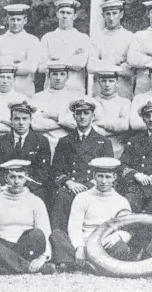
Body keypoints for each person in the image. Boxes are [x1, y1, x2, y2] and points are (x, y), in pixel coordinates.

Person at [49, 158, 133, 271]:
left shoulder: (122, 201)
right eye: (100, 176)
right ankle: (94, 266)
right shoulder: (82, 198)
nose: (103, 181)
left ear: (114, 177)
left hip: (104, 245)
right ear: (94, 176)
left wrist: (118, 236)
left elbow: (127, 228)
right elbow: (74, 227)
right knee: (57, 235)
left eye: (108, 177)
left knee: (122, 248)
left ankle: (77, 264)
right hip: (84, 244)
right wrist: (79, 247)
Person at [0, 160, 55, 274]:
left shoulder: (36, 201)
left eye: (20, 177)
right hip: (1, 246)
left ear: (26, 178)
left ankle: (2, 265)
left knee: (37, 234)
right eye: (12, 177)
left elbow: (45, 232)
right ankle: (27, 267)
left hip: (25, 247)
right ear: (6, 178)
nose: (16, 181)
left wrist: (42, 258)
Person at [51, 99, 114, 231]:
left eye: (86, 113)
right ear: (74, 116)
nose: (82, 116)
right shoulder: (64, 141)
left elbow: (108, 170)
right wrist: (69, 183)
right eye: (79, 113)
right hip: (70, 187)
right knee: (61, 197)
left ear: (93, 116)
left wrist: (90, 185)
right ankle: (59, 239)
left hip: (93, 187)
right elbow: (56, 169)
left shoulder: (103, 142)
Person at [0, 101, 52, 201]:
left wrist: (26, 187)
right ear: (11, 120)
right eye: (16, 119)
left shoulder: (41, 141)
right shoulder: (0, 141)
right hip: (6, 187)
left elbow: (43, 171)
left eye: (24, 119)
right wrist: (7, 187)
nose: (21, 122)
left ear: (30, 120)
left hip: (32, 188)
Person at [38, 0, 95, 95]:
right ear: (57, 14)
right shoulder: (48, 37)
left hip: (75, 89)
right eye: (62, 12)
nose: (65, 16)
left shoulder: (83, 38)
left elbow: (80, 64)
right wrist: (71, 59)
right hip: (51, 90)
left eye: (68, 13)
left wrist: (54, 61)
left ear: (75, 16)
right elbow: (41, 67)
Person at [0, 4, 41, 96]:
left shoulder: (33, 40)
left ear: (25, 20)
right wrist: (18, 62)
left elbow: (31, 67)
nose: (15, 23)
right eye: (12, 19)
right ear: (7, 20)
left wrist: (4, 61)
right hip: (2, 93)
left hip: (25, 91)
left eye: (19, 19)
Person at [29, 63, 83, 154]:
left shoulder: (75, 98)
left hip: (68, 146)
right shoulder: (37, 98)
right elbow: (35, 125)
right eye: (54, 74)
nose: (58, 78)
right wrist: (64, 122)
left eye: (62, 74)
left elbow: (77, 124)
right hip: (44, 146)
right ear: (49, 76)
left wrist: (56, 116)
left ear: (67, 76)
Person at [87, 0, 136, 99]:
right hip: (100, 92)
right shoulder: (96, 38)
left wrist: (102, 64)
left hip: (123, 91)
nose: (111, 17)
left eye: (115, 13)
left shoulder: (130, 37)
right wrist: (116, 62)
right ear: (103, 15)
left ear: (121, 14)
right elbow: (91, 67)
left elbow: (131, 70)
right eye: (108, 14)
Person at [91, 65, 131, 158]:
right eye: (104, 81)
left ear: (117, 82)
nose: (107, 84)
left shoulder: (124, 102)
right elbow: (88, 127)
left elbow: (124, 126)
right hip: (96, 149)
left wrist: (99, 124)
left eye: (111, 81)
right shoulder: (92, 102)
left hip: (118, 149)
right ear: (99, 82)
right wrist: (114, 128)